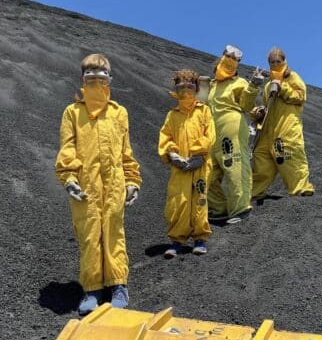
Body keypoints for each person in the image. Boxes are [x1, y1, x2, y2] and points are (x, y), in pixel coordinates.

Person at [55, 53, 142, 315]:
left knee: (114, 233)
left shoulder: (119, 113)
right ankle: (91, 288)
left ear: (110, 78)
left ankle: (118, 285)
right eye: (90, 71)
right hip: (85, 186)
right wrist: (69, 178)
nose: (96, 75)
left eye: (101, 71)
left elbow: (125, 151)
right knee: (90, 235)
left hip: (114, 184)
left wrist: (132, 180)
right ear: (82, 78)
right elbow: (67, 148)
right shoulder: (73, 112)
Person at [158, 69, 215, 257]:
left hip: (200, 165)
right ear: (176, 88)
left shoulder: (204, 111)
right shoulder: (172, 115)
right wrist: (173, 155)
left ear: (197, 88)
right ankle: (177, 240)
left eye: (190, 86)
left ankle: (200, 238)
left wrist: (198, 154)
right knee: (179, 200)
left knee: (199, 199)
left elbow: (210, 134)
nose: (186, 91)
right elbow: (165, 136)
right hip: (180, 166)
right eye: (181, 87)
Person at [207, 45, 264, 223]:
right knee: (207, 172)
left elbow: (246, 105)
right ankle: (219, 208)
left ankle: (241, 209)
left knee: (235, 165)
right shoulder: (212, 85)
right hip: (211, 130)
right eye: (227, 56)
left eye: (234, 59)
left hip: (231, 125)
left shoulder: (239, 83)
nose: (229, 60)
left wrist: (253, 84)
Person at [251, 47, 314, 199]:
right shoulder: (267, 85)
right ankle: (255, 193)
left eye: (278, 61)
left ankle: (301, 189)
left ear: (284, 61)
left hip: (287, 126)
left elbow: (300, 96)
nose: (275, 64)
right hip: (268, 129)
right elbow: (268, 105)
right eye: (272, 62)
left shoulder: (292, 77)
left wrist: (282, 87)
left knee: (290, 157)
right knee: (261, 159)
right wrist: (258, 113)